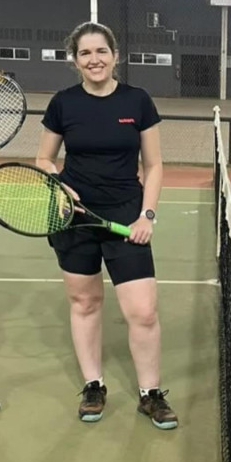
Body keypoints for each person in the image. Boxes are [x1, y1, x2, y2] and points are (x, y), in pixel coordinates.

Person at [36, 21, 177, 429]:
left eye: (101, 51)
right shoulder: (63, 103)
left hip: (126, 216)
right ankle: (93, 385)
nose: (94, 59)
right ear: (75, 60)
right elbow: (43, 159)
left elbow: (154, 165)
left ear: (116, 56)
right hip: (73, 219)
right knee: (85, 303)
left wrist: (147, 215)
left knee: (143, 312)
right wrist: (59, 184)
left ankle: (150, 394)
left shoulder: (138, 101)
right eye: (85, 53)